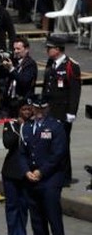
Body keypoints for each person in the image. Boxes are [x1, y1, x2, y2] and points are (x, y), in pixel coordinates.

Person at [22, 95, 68, 235]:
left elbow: (58, 154)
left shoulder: (55, 127)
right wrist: (26, 171)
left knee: (53, 216)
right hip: (32, 178)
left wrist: (41, 172)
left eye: (42, 108)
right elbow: (22, 153)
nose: (39, 112)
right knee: (36, 217)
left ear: (47, 108)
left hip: (50, 178)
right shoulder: (27, 127)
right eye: (37, 108)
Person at [41, 34, 81, 185]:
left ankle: (65, 177)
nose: (47, 51)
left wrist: (72, 112)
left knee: (62, 145)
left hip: (63, 112)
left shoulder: (71, 65)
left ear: (57, 49)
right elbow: (47, 86)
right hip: (50, 111)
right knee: (49, 143)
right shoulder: (50, 63)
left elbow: (75, 91)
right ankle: (53, 173)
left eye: (49, 48)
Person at [1, 100, 34, 235]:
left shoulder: (34, 126)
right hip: (11, 170)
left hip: (26, 171)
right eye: (24, 109)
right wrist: (20, 126)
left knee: (23, 206)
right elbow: (7, 143)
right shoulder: (11, 124)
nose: (27, 112)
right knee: (12, 205)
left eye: (29, 109)